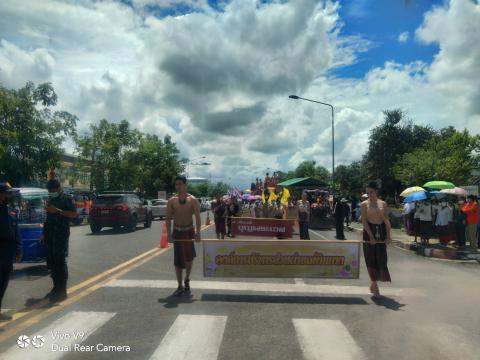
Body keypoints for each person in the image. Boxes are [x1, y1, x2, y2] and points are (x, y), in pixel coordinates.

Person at [43, 179, 78, 302]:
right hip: (50, 234)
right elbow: (48, 217)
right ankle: (55, 287)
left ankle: (62, 290)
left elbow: (74, 214)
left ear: (58, 188)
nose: (51, 192)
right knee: (51, 261)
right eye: (49, 191)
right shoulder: (51, 199)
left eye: (53, 190)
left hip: (61, 234)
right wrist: (44, 233)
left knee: (59, 260)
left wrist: (58, 211)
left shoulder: (67, 199)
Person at [166, 176, 201, 296]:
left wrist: (198, 233)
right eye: (176, 184)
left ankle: (187, 278)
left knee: (189, 258)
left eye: (180, 184)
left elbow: (197, 217)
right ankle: (180, 285)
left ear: (186, 185)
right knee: (178, 260)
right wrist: (169, 234)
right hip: (177, 232)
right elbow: (168, 218)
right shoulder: (172, 201)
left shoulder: (193, 200)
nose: (178, 186)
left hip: (189, 231)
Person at [361, 181, 392, 298]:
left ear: (376, 192)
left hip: (381, 232)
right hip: (369, 233)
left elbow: (387, 221)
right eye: (367, 192)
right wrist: (371, 236)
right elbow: (364, 221)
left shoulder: (383, 204)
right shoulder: (364, 204)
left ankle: (373, 283)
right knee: (370, 259)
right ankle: (374, 283)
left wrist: (388, 236)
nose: (369, 194)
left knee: (381, 259)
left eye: (371, 192)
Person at [0, 183, 22, 321]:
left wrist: (18, 249)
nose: (8, 195)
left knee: (4, 280)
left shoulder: (9, 210)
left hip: (8, 251)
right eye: (6, 193)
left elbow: (16, 230)